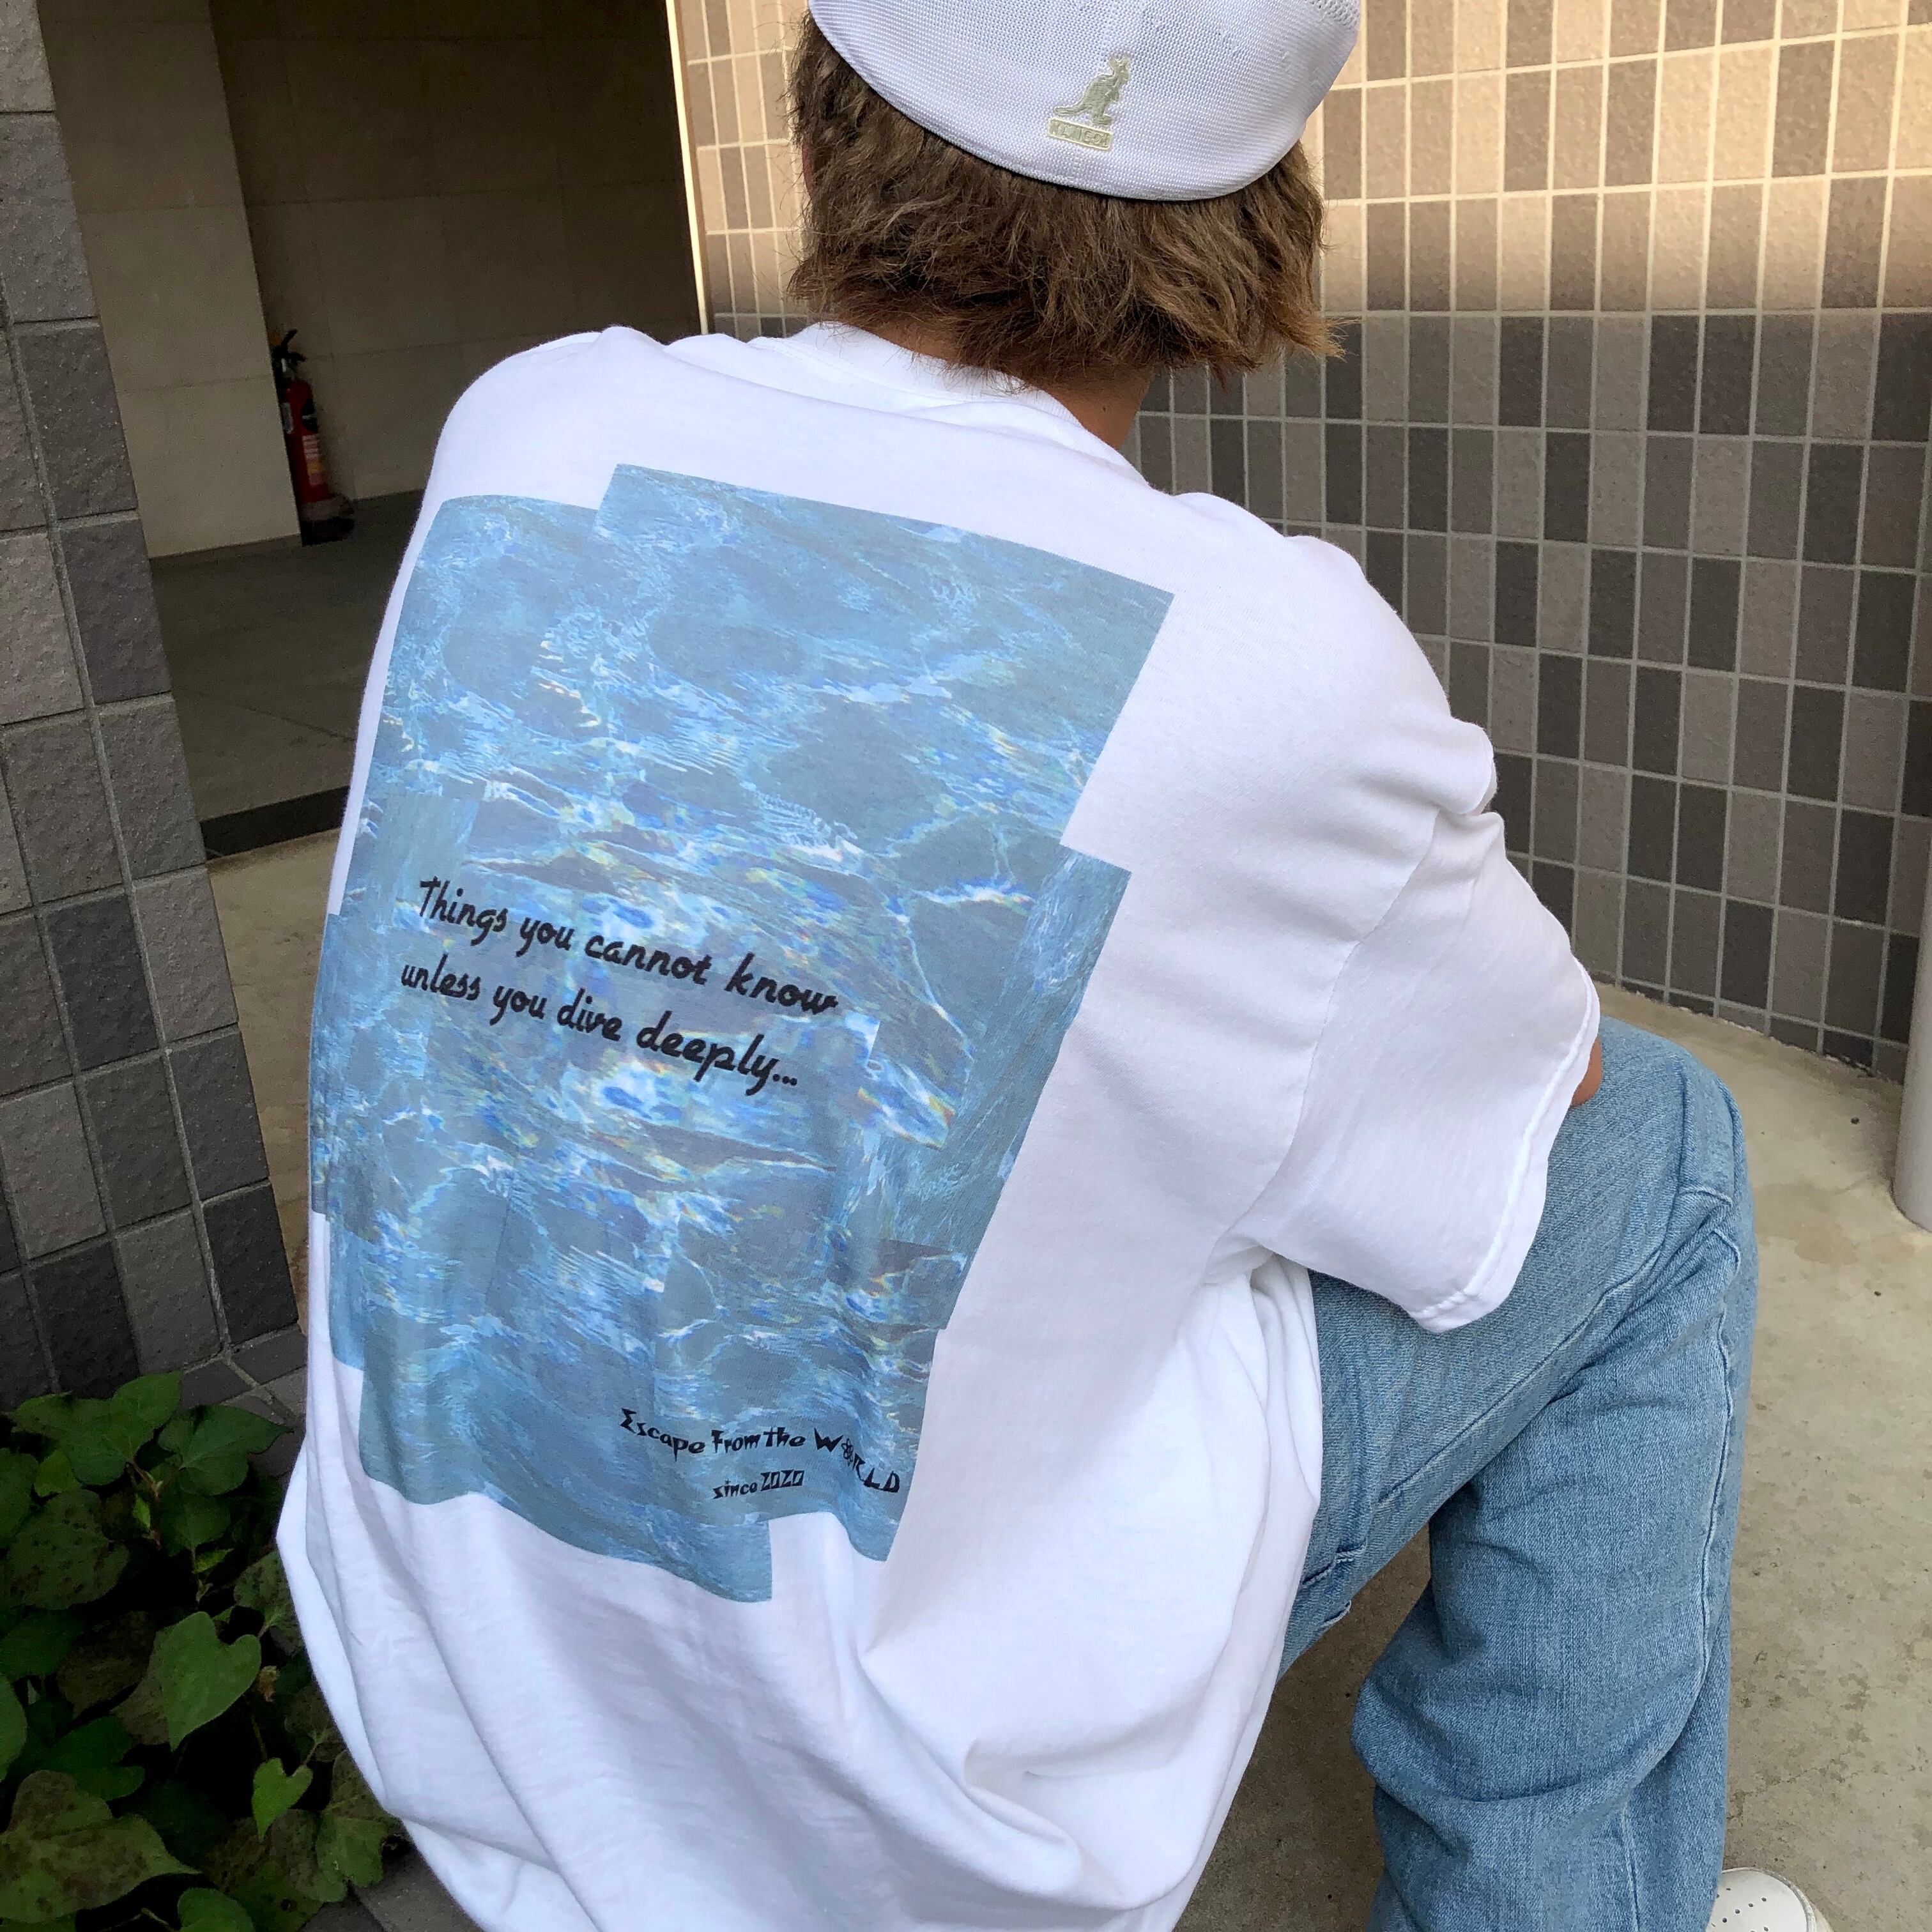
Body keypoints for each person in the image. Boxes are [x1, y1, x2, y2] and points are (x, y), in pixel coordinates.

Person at [279, 2, 1825, 1928]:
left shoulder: (530, 428)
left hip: (465, 1662)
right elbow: (1546, 1087)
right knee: (1663, 1153)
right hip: (887, 1787)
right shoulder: (1267, 659)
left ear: (822, 123)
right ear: (1252, 237)